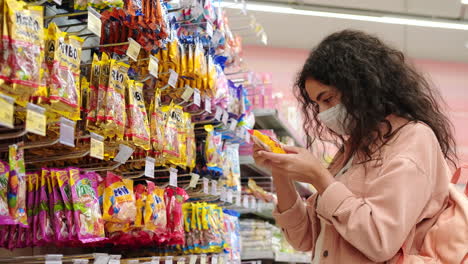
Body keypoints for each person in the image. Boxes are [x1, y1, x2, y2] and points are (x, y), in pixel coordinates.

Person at [253, 30, 458, 263]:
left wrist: (320, 177)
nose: (322, 114)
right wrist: (280, 171)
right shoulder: (354, 149)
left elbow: (380, 241)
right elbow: (305, 239)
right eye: (317, 104)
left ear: (359, 86)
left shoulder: (413, 139)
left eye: (327, 99)